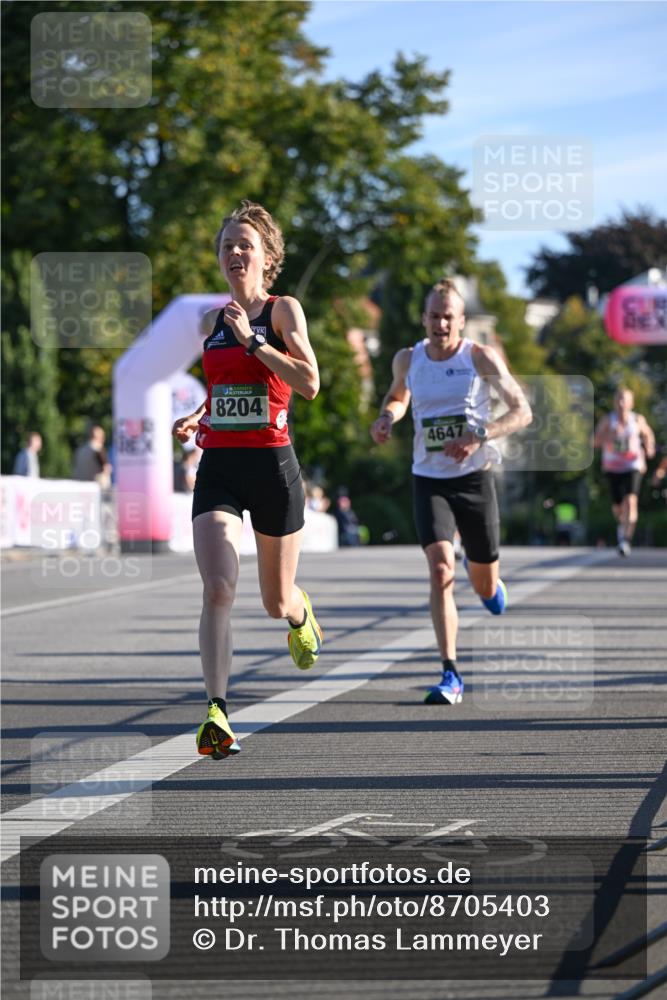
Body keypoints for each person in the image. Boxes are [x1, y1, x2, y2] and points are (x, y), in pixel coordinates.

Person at [172, 200, 323, 760]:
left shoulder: (282, 312)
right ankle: (217, 713)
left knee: (273, 600)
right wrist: (198, 417)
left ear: (266, 258)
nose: (234, 253)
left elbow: (309, 383)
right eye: (226, 246)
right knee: (217, 588)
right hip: (220, 468)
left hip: (273, 469)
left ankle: (300, 613)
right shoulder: (209, 323)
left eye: (245, 245)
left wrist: (256, 342)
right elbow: (227, 395)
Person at [371, 278, 532, 705]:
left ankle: (490, 588)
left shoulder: (479, 357)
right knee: (441, 569)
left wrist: (480, 434)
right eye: (434, 315)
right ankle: (451, 673)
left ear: (461, 321)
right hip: (429, 478)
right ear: (424, 318)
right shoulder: (408, 358)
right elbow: (397, 395)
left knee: (482, 585)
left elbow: (522, 410)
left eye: (449, 316)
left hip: (475, 478)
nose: (441, 323)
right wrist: (388, 417)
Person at [594, 388, 655, 556]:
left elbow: (648, 434)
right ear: (615, 402)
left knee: (631, 500)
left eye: (625, 399)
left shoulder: (637, 420)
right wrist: (609, 436)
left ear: (631, 403)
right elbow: (595, 442)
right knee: (618, 507)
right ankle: (622, 528)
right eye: (619, 399)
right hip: (613, 467)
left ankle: (626, 540)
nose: (621, 403)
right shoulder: (608, 420)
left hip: (632, 465)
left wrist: (649, 447)